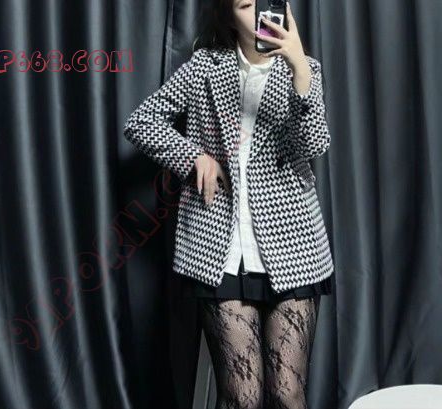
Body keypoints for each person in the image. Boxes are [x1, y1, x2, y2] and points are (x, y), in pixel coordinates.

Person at [124, 1, 334, 407]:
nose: (257, 14)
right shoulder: (205, 67)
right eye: (244, 4)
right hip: (218, 247)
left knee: (288, 394)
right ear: (228, 16)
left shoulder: (305, 69)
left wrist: (299, 69)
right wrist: (193, 157)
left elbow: (313, 145)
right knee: (242, 396)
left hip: (293, 246)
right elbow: (141, 121)